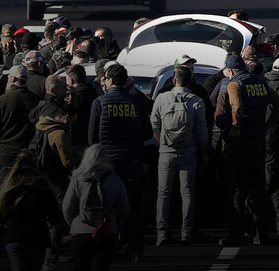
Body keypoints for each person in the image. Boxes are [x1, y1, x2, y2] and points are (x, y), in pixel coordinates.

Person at [88, 63, 152, 260]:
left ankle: (109, 247)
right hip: (132, 161)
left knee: (107, 206)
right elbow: (147, 133)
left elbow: (92, 138)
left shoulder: (100, 102)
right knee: (133, 207)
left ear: (109, 80)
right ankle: (135, 248)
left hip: (108, 164)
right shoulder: (136, 103)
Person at [215, 55, 274, 245]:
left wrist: (235, 129)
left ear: (231, 71)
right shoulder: (261, 83)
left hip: (239, 144)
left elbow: (237, 107)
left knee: (237, 189)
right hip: (258, 140)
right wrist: (268, 125)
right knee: (258, 188)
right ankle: (261, 234)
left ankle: (237, 234)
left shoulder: (234, 85)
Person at [150, 65, 208, 246]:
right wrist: (205, 153)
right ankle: (186, 232)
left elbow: (154, 124)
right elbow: (202, 130)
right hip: (188, 151)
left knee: (163, 193)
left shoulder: (161, 98)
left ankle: (162, 233)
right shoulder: (196, 100)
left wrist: (164, 142)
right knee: (187, 192)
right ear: (190, 82)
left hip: (166, 150)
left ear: (174, 80)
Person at [0, 150, 64, 271]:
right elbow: (55, 218)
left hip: (14, 236)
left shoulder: (10, 189)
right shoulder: (44, 188)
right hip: (37, 237)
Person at [62, 145, 129, 271]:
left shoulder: (77, 179)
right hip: (106, 231)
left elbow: (67, 207)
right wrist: (114, 224)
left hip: (80, 231)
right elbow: (124, 209)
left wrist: (74, 223)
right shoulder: (115, 180)